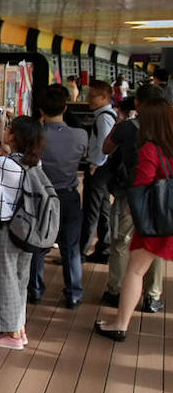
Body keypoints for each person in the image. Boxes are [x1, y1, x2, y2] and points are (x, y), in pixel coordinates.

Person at [95, 98, 173, 341]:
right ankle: (150, 300)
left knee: (135, 271)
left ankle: (119, 324)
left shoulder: (151, 149)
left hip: (155, 221)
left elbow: (141, 184)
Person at [0, 113, 46, 350]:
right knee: (19, 279)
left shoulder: (4, 164)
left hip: (7, 229)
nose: (6, 131)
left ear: (15, 137)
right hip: (27, 230)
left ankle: (11, 335)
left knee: (4, 281)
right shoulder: (34, 162)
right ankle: (19, 328)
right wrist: (0, 124)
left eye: (9, 129)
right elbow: (6, 150)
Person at [28, 85, 86, 308]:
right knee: (70, 247)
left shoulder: (36, 136)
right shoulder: (80, 135)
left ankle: (35, 290)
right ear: (65, 107)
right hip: (69, 197)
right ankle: (73, 294)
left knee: (38, 245)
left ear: (41, 110)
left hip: (41, 197)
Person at [80, 80, 117, 263]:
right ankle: (104, 249)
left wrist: (95, 164)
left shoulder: (103, 117)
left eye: (92, 96)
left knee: (91, 211)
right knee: (102, 209)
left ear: (104, 97)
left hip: (98, 169)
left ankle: (81, 251)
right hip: (104, 170)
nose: (88, 99)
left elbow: (104, 144)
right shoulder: (107, 114)